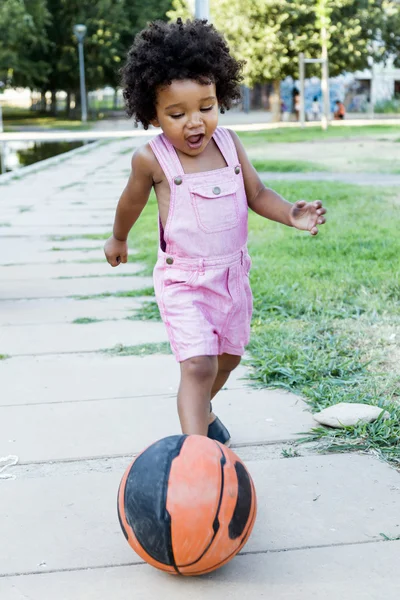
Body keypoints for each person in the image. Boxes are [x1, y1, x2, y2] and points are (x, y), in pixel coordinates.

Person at [104, 19, 327, 444]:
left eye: (206, 107)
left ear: (220, 97)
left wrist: (290, 214)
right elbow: (130, 202)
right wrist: (119, 236)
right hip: (183, 280)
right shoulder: (151, 159)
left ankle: (203, 411)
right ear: (152, 114)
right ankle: (197, 457)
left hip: (231, 278)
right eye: (177, 113)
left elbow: (257, 192)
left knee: (227, 359)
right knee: (199, 365)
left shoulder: (229, 144)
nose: (194, 123)